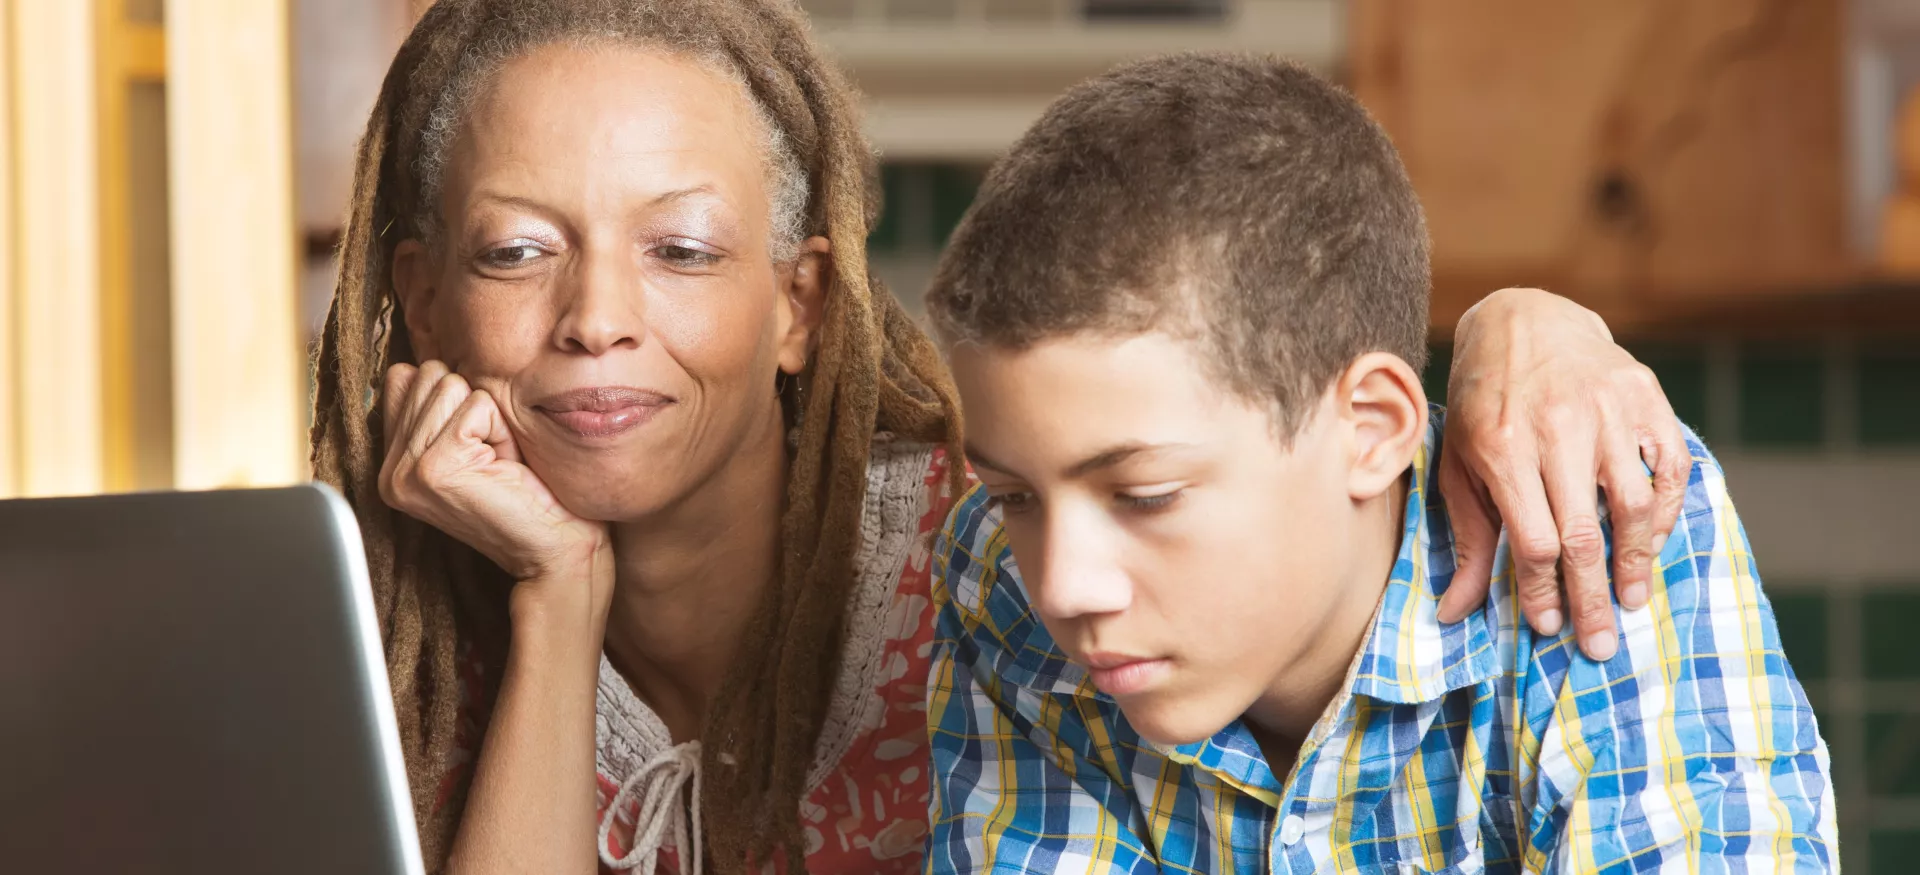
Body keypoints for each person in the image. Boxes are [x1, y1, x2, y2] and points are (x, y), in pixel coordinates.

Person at [307, 2, 1693, 871]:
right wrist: (560, 596)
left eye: (680, 245)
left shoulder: (1011, 572)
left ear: (800, 301)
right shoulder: (363, 635)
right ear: (418, 295)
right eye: (512, 253)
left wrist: (1530, 318)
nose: (596, 315)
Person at [924, 54, 1836, 873]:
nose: (1065, 585)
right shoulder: (1001, 573)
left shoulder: (1594, 516)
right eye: (1013, 494)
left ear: (1370, 429)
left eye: (1145, 494)